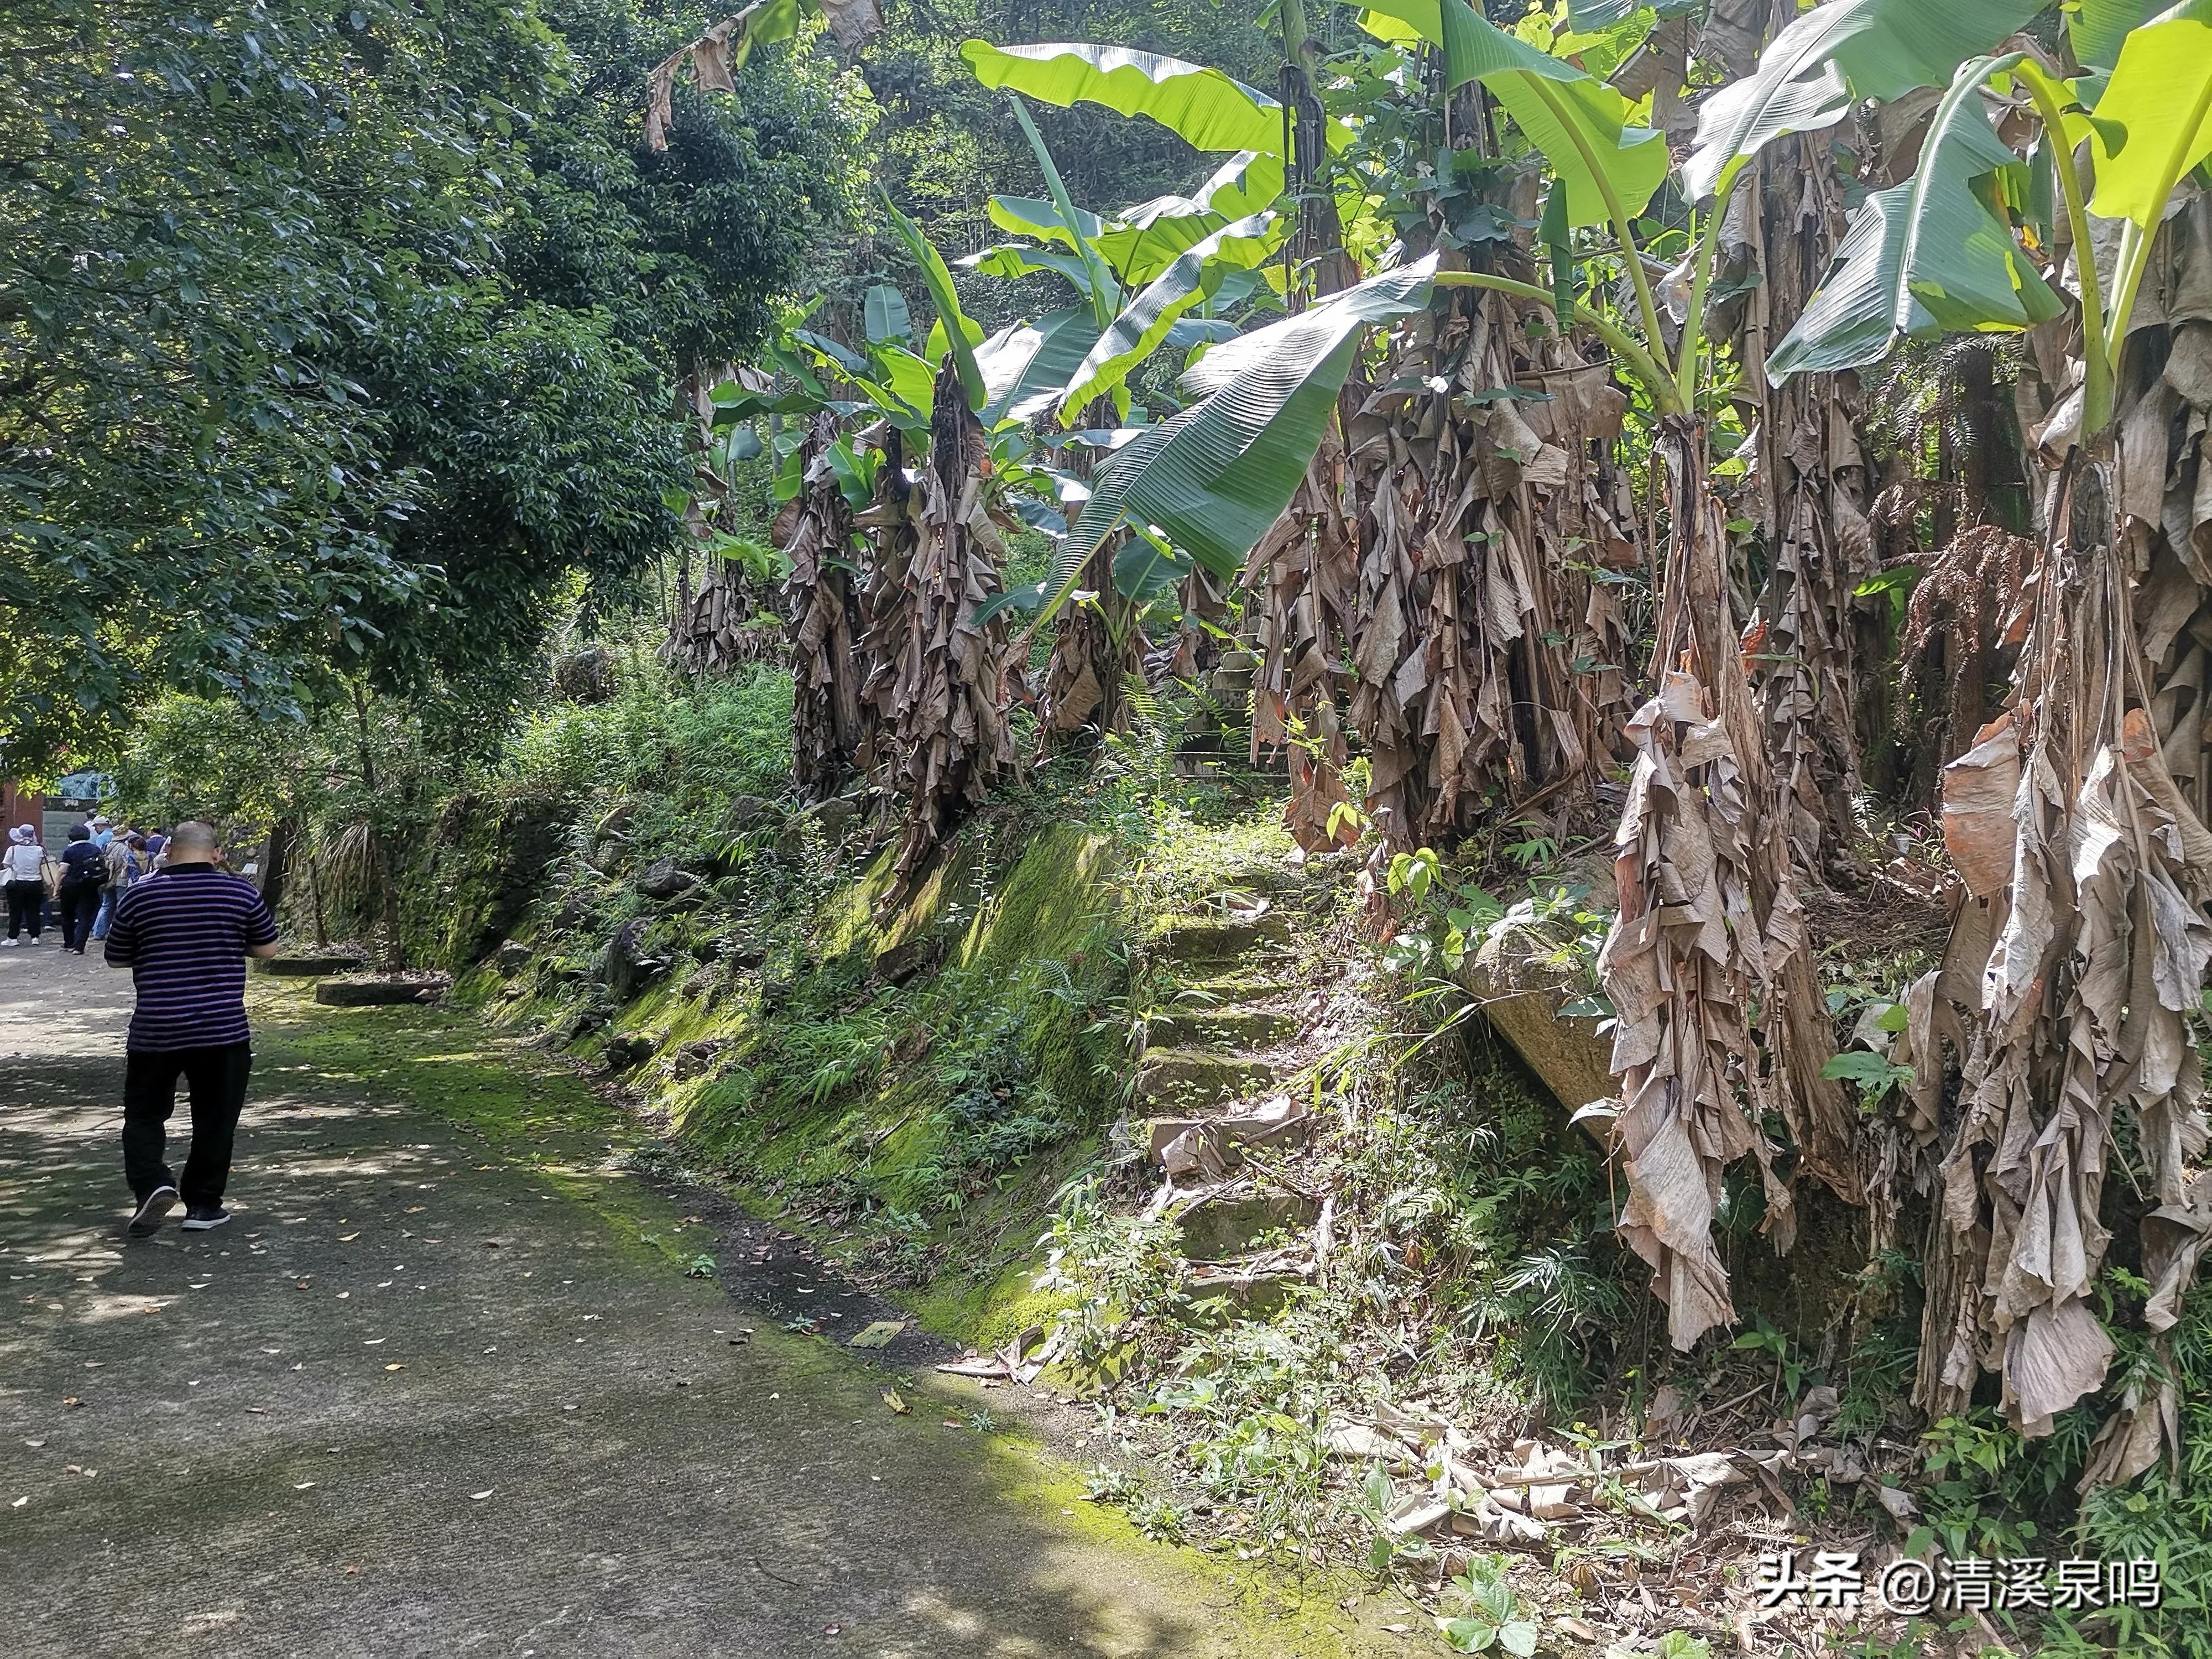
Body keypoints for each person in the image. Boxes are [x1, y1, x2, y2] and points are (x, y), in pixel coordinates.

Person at [104, 820, 281, 1235]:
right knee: (216, 1119)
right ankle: (203, 1207)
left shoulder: (141, 893)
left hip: (156, 1028)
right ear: (217, 853)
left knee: (145, 1115)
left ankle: (154, 1184)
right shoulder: (239, 892)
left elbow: (115, 956)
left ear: (169, 853)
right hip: (222, 1031)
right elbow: (268, 949)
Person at [56, 823, 107, 953]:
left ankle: (69, 943)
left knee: (68, 916)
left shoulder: (70, 850)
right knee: (85, 917)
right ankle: (79, 947)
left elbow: (62, 871)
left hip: (70, 887)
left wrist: (57, 888)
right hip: (90, 886)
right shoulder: (95, 849)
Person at [4, 823, 48, 946]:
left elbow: (7, 865)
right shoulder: (40, 850)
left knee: (15, 911)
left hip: (17, 883)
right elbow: (44, 864)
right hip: (36, 883)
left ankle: (13, 938)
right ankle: (35, 937)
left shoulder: (13, 849)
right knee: (33, 911)